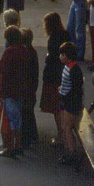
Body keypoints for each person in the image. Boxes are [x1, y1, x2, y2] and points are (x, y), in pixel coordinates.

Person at [0, 25, 29, 158]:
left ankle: (9, 147)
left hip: (10, 91)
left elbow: (4, 74)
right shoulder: (24, 51)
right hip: (21, 90)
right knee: (18, 119)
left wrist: (1, 93)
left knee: (10, 120)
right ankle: (18, 144)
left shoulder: (9, 52)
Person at [40, 12, 70, 146]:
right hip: (63, 74)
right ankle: (64, 133)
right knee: (62, 107)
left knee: (56, 108)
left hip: (53, 76)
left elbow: (52, 56)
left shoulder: (53, 39)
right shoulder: (65, 35)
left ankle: (62, 134)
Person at [57, 41, 84, 165]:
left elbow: (76, 89)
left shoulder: (75, 70)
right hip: (64, 100)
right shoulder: (67, 67)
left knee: (68, 127)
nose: (61, 56)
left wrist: (65, 95)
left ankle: (72, 152)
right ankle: (68, 149)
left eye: (63, 54)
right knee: (64, 126)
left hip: (70, 103)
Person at [20, 27, 39, 147]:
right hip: (31, 86)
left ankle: (25, 139)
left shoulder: (25, 54)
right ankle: (33, 134)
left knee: (25, 113)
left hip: (25, 87)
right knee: (29, 112)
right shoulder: (33, 51)